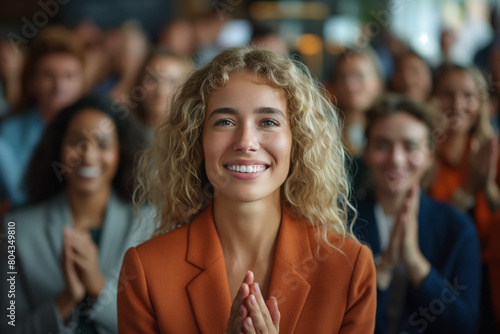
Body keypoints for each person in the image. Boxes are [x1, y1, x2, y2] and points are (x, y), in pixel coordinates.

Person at [117, 46, 376, 333]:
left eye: (268, 122)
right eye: (225, 122)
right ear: (196, 140)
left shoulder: (351, 268)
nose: (246, 142)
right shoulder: (145, 270)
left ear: (297, 140)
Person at [0, 96, 151, 334]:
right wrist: (66, 300)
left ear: (120, 152)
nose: (88, 156)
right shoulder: (15, 229)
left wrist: (98, 287)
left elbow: (158, 326)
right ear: (58, 148)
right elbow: (7, 327)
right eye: (76, 142)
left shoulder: (149, 224)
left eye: (102, 144)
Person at [354, 94, 481, 334]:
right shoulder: (340, 221)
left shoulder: (458, 227)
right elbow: (338, 322)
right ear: (367, 152)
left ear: (430, 156)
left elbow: (466, 326)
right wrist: (384, 269)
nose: (396, 159)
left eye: (410, 146)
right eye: (382, 145)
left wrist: (416, 263)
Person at [430, 64, 500, 333]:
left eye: (469, 96)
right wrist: (469, 189)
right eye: (448, 94)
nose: (458, 104)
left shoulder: (493, 150)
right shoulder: (423, 156)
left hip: (490, 274)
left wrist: (488, 188)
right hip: (443, 275)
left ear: (482, 103)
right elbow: (435, 231)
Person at [0, 26, 86, 209]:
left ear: (82, 83)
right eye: (49, 75)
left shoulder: (92, 128)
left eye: (69, 76)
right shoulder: (9, 133)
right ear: (32, 82)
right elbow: (19, 198)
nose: (59, 86)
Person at [330, 47, 384, 157]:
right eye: (342, 77)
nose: (350, 85)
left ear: (378, 82)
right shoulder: (324, 129)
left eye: (359, 76)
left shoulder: (392, 126)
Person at [129, 47, 192, 139]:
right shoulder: (123, 131)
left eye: (173, 82)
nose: (161, 91)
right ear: (139, 82)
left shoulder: (191, 139)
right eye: (153, 80)